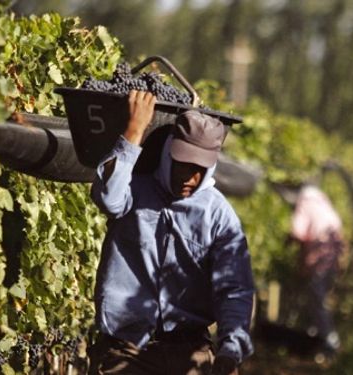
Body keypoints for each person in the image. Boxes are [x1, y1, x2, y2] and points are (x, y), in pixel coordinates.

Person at [88, 91, 255, 375]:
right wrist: (134, 131)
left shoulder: (218, 215)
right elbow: (107, 197)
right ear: (168, 153)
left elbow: (234, 288)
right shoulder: (134, 190)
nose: (190, 177)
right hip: (127, 351)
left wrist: (231, 346)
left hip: (190, 353)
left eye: (200, 169)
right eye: (183, 164)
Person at [290, 184, 344, 358]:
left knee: (316, 301)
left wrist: (290, 244)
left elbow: (298, 231)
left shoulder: (306, 203)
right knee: (319, 301)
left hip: (319, 261)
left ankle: (329, 340)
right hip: (331, 263)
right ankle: (318, 339)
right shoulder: (325, 206)